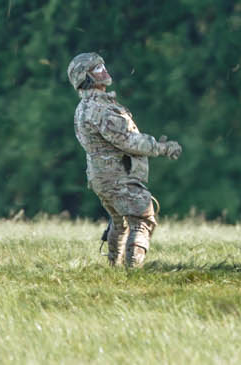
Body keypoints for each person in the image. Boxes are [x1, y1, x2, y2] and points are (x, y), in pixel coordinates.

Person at [68, 51, 182, 270]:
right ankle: (133, 270)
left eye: (103, 66)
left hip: (100, 177)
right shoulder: (101, 108)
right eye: (97, 69)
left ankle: (114, 267)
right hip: (118, 176)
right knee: (142, 220)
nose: (104, 71)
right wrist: (163, 148)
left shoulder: (82, 109)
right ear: (85, 77)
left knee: (120, 223)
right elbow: (128, 141)